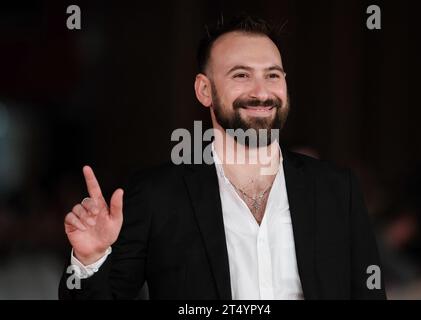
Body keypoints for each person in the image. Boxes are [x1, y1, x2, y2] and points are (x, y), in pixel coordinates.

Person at [59, 14, 386, 300]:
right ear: (204, 90)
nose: (261, 91)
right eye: (241, 75)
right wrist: (90, 259)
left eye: (272, 75)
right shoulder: (157, 195)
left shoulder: (337, 190)